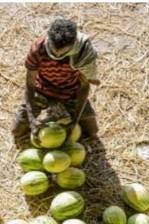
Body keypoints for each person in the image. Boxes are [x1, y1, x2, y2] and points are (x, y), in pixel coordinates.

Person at [12, 18, 100, 146]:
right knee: (16, 131)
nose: (57, 54)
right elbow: (30, 85)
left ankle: (64, 112)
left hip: (71, 92)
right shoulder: (38, 49)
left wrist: (75, 121)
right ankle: (55, 111)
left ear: (73, 44)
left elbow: (84, 87)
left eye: (63, 52)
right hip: (43, 90)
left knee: (93, 132)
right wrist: (32, 120)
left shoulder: (83, 52)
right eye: (53, 50)